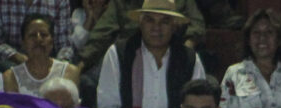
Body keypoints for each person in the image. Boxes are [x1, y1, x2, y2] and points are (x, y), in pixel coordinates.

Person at [95, 0, 204, 108]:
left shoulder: (188, 59)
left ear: (174, 25)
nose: (156, 27)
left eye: (164, 21)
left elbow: (197, 106)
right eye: (150, 20)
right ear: (140, 22)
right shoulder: (119, 53)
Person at [75, 0, 205, 76]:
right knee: (88, 82)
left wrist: (184, 53)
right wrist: (79, 67)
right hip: (128, 59)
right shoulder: (121, 2)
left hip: (173, 57)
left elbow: (197, 26)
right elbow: (101, 34)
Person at [0, 0, 72, 72]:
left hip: (49, 60)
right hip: (10, 60)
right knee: (7, 69)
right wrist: (17, 57)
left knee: (69, 73)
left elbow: (65, 45)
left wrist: (58, 66)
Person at [4, 12, 79, 95]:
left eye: (44, 35)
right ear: (23, 43)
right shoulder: (11, 77)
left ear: (52, 41)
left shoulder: (69, 72)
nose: (38, 39)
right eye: (32, 35)